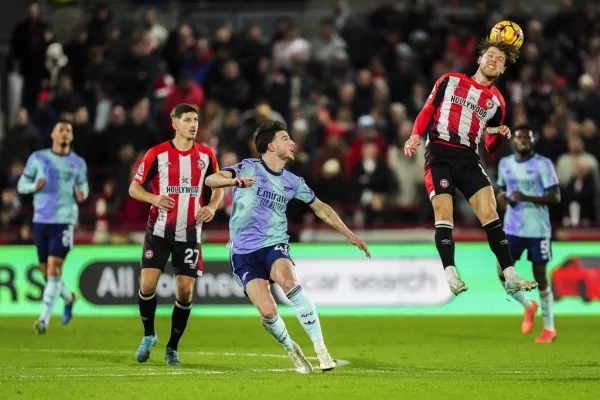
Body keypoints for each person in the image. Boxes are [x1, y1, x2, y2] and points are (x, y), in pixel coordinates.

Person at [205, 121, 370, 374]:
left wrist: (349, 234)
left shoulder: (293, 181)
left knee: (289, 282)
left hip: (274, 243)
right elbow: (211, 180)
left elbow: (321, 209)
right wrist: (235, 182)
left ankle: (321, 350)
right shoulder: (248, 167)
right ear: (271, 146)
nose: (292, 143)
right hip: (242, 253)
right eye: (285, 138)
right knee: (269, 312)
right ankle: (291, 348)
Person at [404, 38, 538, 296]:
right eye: (490, 55)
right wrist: (414, 135)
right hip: (439, 154)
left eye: (500, 60)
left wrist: (498, 133)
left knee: (490, 212)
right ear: (479, 59)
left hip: (468, 158)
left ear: (502, 71)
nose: (494, 60)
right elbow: (427, 109)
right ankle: (451, 274)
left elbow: (489, 146)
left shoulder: (497, 102)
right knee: (444, 214)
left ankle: (510, 275)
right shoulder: (449, 80)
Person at [128, 103, 224, 365]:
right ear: (175, 124)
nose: (194, 124)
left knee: (184, 291)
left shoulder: (206, 155)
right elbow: (134, 189)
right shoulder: (157, 154)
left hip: (190, 233)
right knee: (147, 285)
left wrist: (212, 207)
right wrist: (153, 198)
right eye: (188, 120)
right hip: (158, 230)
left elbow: (218, 187)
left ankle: (172, 347)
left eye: (196, 119)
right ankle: (149, 335)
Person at [17, 120, 88, 333]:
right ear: (52, 135)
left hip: (64, 220)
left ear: (72, 137)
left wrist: (82, 193)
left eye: (68, 130)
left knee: (54, 266)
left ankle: (44, 320)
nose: (65, 133)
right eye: (61, 130)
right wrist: (33, 186)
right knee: (46, 273)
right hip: (41, 219)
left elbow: (83, 185)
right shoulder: (38, 158)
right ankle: (68, 297)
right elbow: (22, 185)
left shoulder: (78, 163)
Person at [496, 126, 560, 343]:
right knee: (502, 272)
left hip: (538, 230)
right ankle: (528, 305)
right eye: (519, 137)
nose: (522, 140)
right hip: (513, 228)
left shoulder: (543, 164)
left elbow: (555, 197)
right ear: (513, 141)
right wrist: (503, 199)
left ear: (533, 140)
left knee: (541, 277)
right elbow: (502, 192)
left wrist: (526, 197)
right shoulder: (505, 164)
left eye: (527, 137)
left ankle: (549, 328)